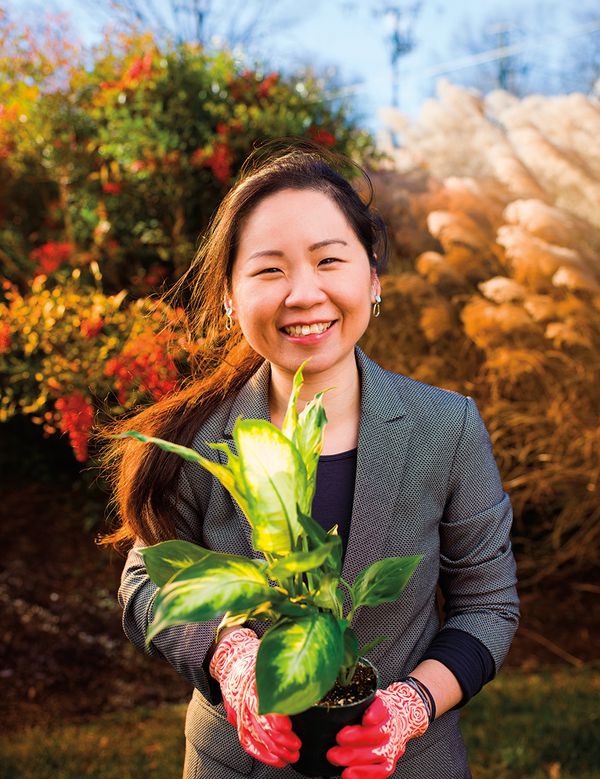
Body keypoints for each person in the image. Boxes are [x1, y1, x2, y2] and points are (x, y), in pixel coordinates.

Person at [100, 141, 520, 779]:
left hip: (409, 765)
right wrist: (229, 653)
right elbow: (145, 585)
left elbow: (487, 603)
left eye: (329, 260)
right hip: (236, 764)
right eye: (269, 270)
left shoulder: (446, 428)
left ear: (371, 279)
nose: (304, 293)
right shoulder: (198, 436)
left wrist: (412, 704)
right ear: (228, 298)